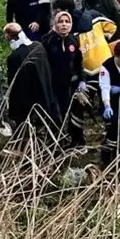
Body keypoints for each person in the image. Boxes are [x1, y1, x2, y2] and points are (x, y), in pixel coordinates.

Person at [0, 23, 58, 141]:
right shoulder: (38, 46)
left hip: (27, 102)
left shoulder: (14, 57)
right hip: (46, 96)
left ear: (8, 37)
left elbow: (15, 84)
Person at [43, 10, 90, 150]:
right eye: (61, 22)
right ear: (55, 23)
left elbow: (78, 62)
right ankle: (56, 143)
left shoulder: (73, 40)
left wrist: (82, 80)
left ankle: (78, 141)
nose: (64, 25)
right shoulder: (47, 41)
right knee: (58, 113)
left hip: (72, 84)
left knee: (76, 112)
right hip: (54, 84)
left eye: (67, 22)